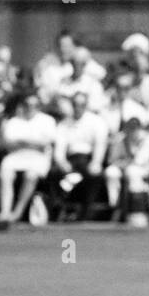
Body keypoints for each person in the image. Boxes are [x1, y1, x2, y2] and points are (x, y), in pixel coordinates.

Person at [0, 93, 56, 227]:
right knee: (5, 172)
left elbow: (45, 143)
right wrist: (31, 142)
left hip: (38, 158)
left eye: (34, 105)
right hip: (16, 156)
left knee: (31, 175)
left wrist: (23, 141)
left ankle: (17, 212)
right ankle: (5, 211)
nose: (31, 108)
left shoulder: (47, 120)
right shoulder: (14, 121)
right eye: (28, 105)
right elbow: (8, 142)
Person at [53, 91, 109, 220]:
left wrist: (96, 162)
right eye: (75, 104)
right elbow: (59, 148)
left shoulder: (96, 121)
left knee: (93, 175)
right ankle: (58, 210)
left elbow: (100, 145)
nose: (78, 107)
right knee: (54, 173)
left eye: (81, 104)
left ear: (86, 105)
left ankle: (86, 212)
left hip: (88, 158)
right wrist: (62, 162)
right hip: (70, 159)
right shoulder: (64, 124)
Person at [105, 117, 149, 227]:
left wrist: (122, 163)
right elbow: (111, 160)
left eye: (135, 128)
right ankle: (115, 205)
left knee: (133, 172)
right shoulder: (121, 138)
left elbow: (139, 161)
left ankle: (137, 211)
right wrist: (120, 163)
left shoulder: (148, 139)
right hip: (123, 167)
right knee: (111, 172)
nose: (132, 130)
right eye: (130, 128)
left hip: (144, 169)